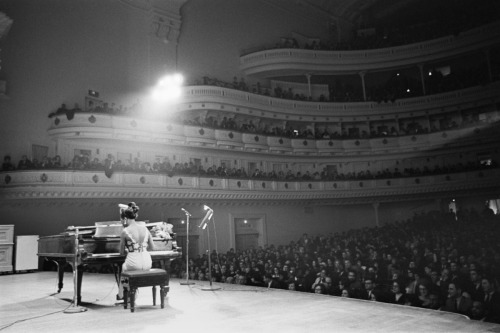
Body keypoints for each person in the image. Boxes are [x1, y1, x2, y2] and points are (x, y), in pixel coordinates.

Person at [118, 202, 155, 299]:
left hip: (134, 262)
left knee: (123, 267)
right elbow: (153, 248)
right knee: (131, 267)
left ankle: (124, 295)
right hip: (147, 262)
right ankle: (133, 292)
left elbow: (121, 252)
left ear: (125, 218)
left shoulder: (125, 231)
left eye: (122, 219)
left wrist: (130, 250)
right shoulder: (145, 228)